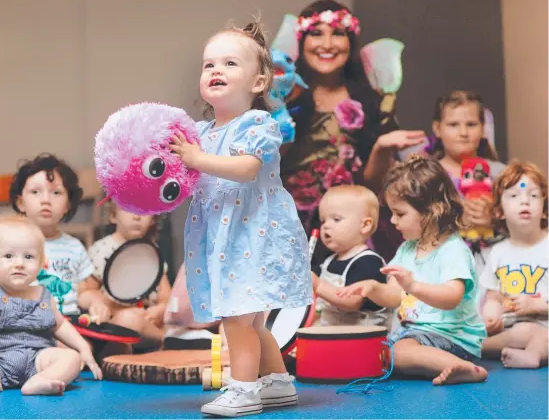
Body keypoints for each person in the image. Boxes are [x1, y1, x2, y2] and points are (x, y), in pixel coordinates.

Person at [168, 21, 312, 417]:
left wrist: (197, 160)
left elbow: (247, 169)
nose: (215, 70)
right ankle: (277, 383)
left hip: (254, 236)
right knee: (254, 319)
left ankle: (243, 389)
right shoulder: (199, 132)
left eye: (230, 63)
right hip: (223, 238)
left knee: (237, 319)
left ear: (259, 80)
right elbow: (181, 177)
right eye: (208, 64)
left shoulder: (259, 124)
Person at [280, 0, 426, 263]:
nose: (326, 44)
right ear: (302, 41)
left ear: (351, 42)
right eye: (316, 34)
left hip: (353, 229)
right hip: (289, 226)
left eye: (338, 33)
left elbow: (373, 186)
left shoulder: (373, 101)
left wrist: (382, 147)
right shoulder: (282, 98)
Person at [338, 156, 488, 385]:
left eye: (400, 213)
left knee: (397, 354)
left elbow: (452, 298)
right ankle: (439, 364)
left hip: (453, 337)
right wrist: (372, 288)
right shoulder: (407, 249)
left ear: (432, 210)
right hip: (418, 335)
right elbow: (393, 296)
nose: (393, 220)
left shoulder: (453, 250)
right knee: (379, 352)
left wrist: (414, 286)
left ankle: (462, 367)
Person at [0, 215, 101, 397]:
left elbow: (60, 325)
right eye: (8, 256)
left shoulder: (44, 295)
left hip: (38, 360)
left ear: (40, 265)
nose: (19, 263)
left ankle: (40, 381)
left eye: (28, 256)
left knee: (71, 358)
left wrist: (83, 348)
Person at [9, 154, 110, 322]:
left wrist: (96, 300)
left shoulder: (74, 247)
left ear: (67, 205)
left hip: (70, 327)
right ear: (21, 203)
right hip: (25, 327)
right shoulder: (9, 243)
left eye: (56, 192)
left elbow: (84, 291)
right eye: (35, 192)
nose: (46, 200)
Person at [428, 90, 506, 272]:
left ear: (483, 127)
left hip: (493, 265)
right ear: (437, 129)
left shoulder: (501, 173)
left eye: (471, 124)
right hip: (443, 267)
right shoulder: (428, 175)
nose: (463, 133)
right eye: (453, 124)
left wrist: (495, 219)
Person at [480, 161, 548, 368]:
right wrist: (491, 316)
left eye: (534, 196)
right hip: (510, 331)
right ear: (499, 211)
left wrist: (538, 306)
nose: (525, 201)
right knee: (476, 337)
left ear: (545, 210)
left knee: (537, 334)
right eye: (514, 196)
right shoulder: (498, 252)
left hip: (545, 326)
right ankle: (476, 347)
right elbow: (493, 295)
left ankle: (532, 356)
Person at [88, 202, 171, 344]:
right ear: (113, 216)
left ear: (153, 219)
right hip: (116, 323)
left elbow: (166, 296)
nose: (137, 216)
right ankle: (167, 342)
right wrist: (115, 309)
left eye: (144, 210)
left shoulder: (152, 252)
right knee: (127, 320)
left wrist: (161, 309)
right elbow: (85, 293)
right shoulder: (100, 250)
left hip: (147, 322)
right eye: (128, 208)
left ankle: (163, 340)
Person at [311, 185, 389, 327]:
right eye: (323, 220)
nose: (326, 226)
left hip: (360, 336)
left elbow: (352, 302)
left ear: (365, 225)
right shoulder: (328, 261)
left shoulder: (368, 262)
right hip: (332, 330)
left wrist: (317, 285)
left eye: (336, 219)